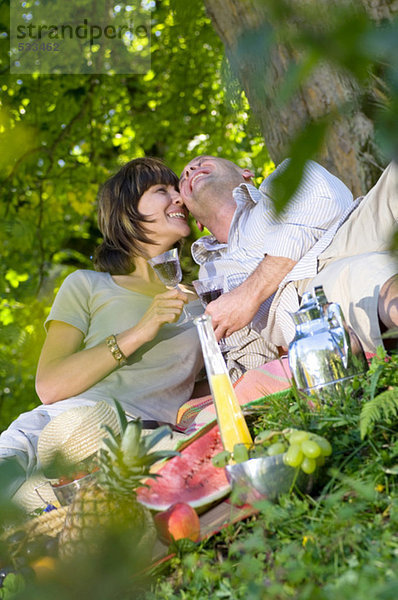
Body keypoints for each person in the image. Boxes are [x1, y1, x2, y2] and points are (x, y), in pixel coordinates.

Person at [0, 157, 204, 494]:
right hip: (54, 432)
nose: (178, 197)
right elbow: (49, 385)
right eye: (161, 190)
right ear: (127, 212)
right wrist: (140, 331)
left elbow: (188, 387)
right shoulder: (88, 285)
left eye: (177, 189)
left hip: (141, 448)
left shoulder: (203, 297)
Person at [179, 155, 398, 356]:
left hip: (352, 228)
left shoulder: (283, 179)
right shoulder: (210, 276)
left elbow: (326, 201)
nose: (190, 169)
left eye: (201, 161)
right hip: (307, 296)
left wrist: (248, 295)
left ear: (246, 173)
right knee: (368, 275)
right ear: (197, 222)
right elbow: (248, 355)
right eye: (183, 178)